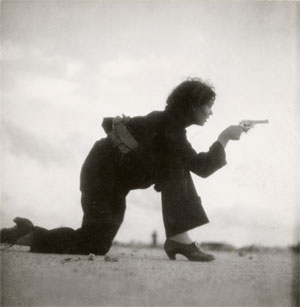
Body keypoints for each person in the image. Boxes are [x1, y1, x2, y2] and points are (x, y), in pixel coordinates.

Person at [0, 78, 245, 261]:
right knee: (94, 243)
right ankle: (179, 240)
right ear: (192, 106)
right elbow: (202, 167)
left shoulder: (167, 123)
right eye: (207, 106)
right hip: (102, 178)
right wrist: (224, 137)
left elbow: (111, 124)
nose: (211, 112)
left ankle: (26, 234)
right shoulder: (170, 127)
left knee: (96, 242)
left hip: (110, 178)